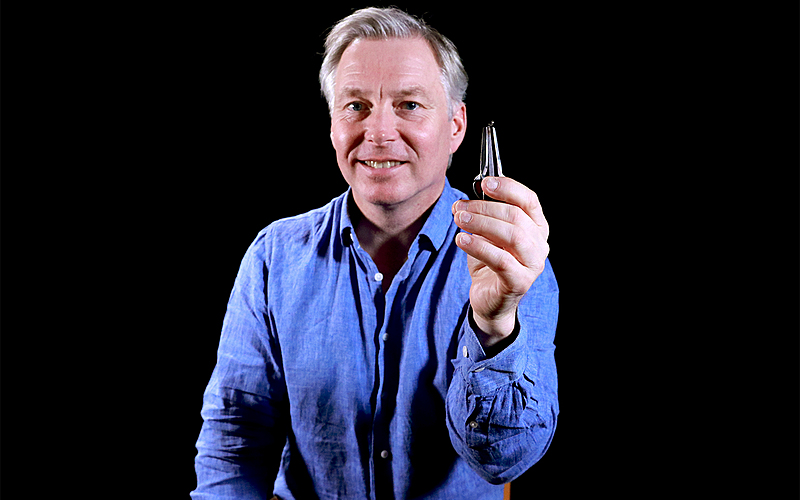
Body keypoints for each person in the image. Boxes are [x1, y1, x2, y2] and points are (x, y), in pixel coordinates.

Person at [192, 7, 558, 499]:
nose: (379, 132)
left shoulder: (510, 260)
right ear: (332, 124)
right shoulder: (273, 258)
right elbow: (235, 445)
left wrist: (493, 327)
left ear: (455, 126)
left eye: (409, 104)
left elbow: (503, 460)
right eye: (356, 106)